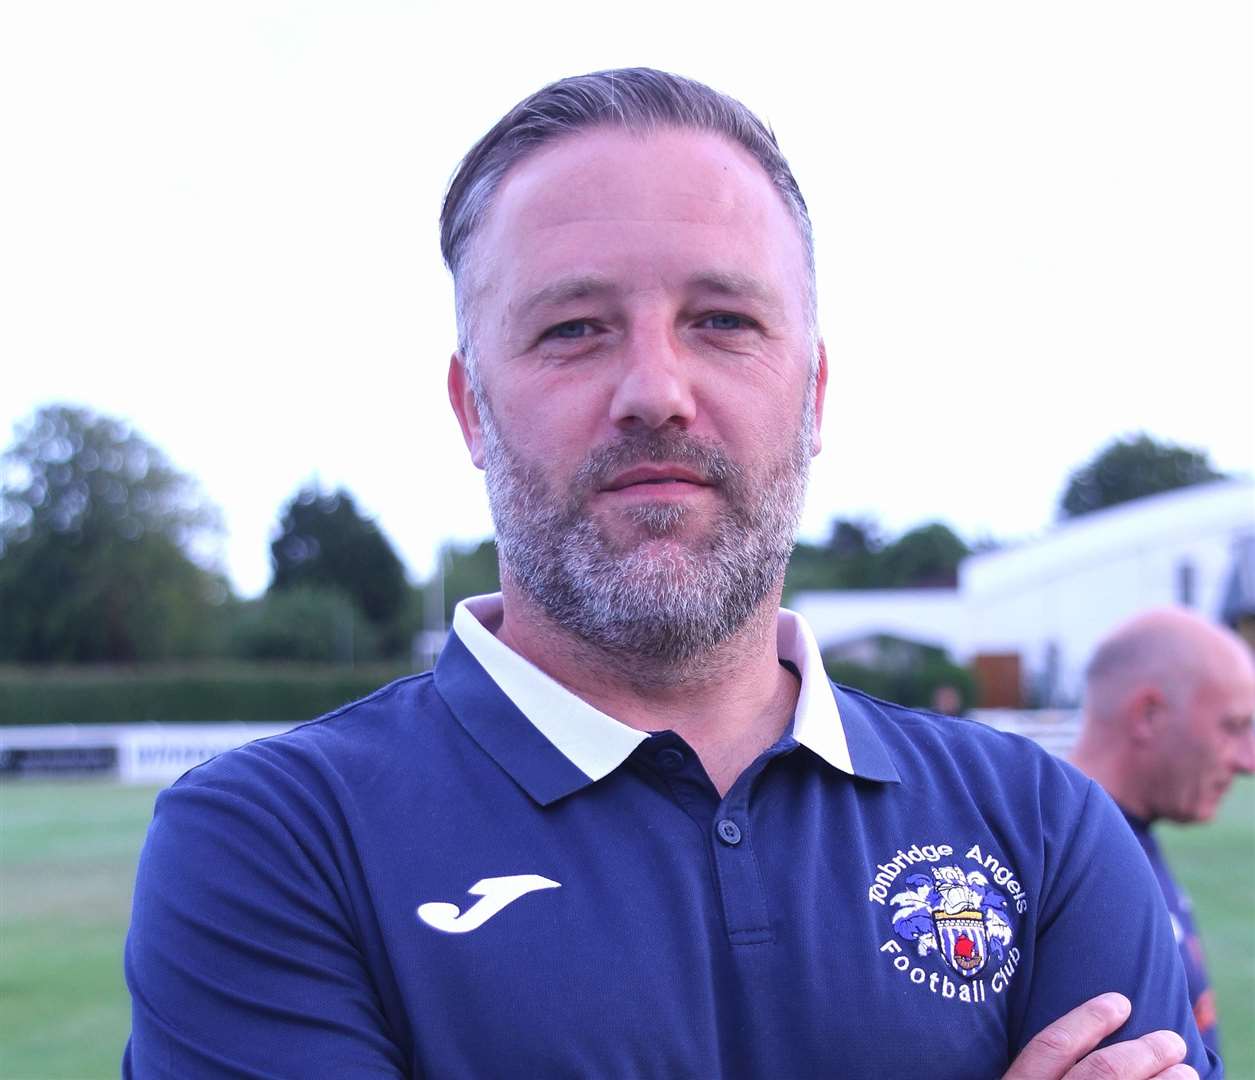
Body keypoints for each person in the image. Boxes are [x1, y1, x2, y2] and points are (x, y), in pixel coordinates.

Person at [124, 69, 1215, 1078]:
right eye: (574, 328)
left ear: (814, 393)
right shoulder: (276, 842)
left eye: (723, 322)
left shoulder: (1045, 829)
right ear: (472, 408)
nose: (655, 389)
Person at [1072, 607, 1255, 1055]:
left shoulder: (1119, 836)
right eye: (1232, 727)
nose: (1248, 761)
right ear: (1148, 715)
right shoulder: (1073, 866)